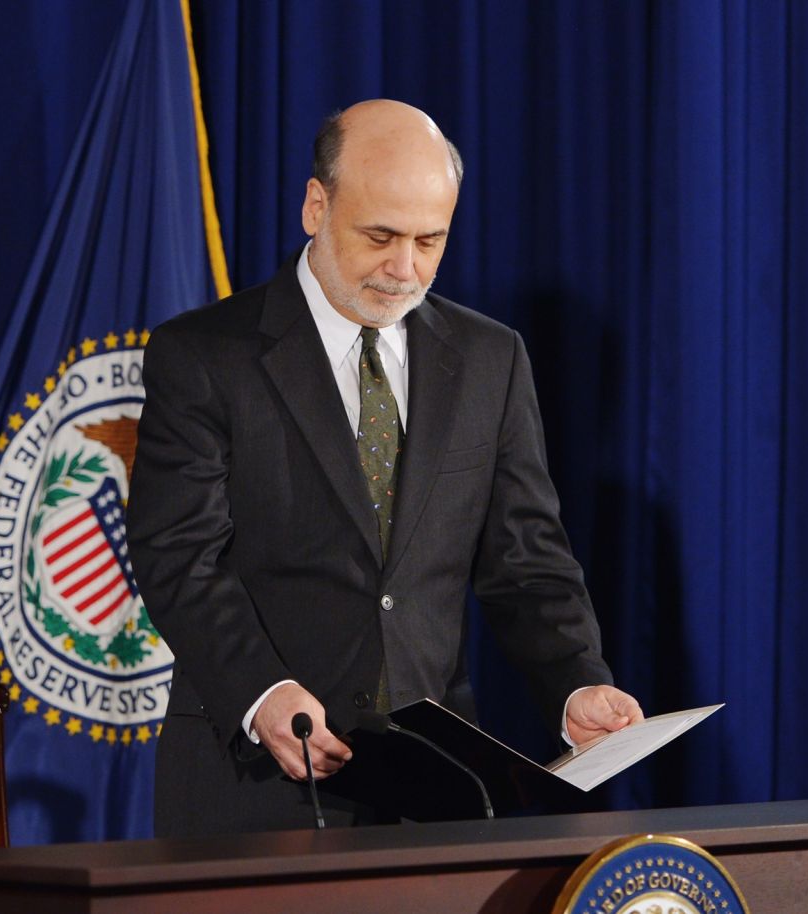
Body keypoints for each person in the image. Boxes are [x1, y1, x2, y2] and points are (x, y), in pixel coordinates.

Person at [128, 99, 642, 838]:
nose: (405, 269)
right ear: (316, 205)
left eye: (430, 241)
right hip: (252, 785)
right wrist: (261, 691)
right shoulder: (206, 356)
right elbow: (178, 553)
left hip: (434, 790)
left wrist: (576, 681)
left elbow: (526, 562)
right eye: (380, 236)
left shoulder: (490, 360)